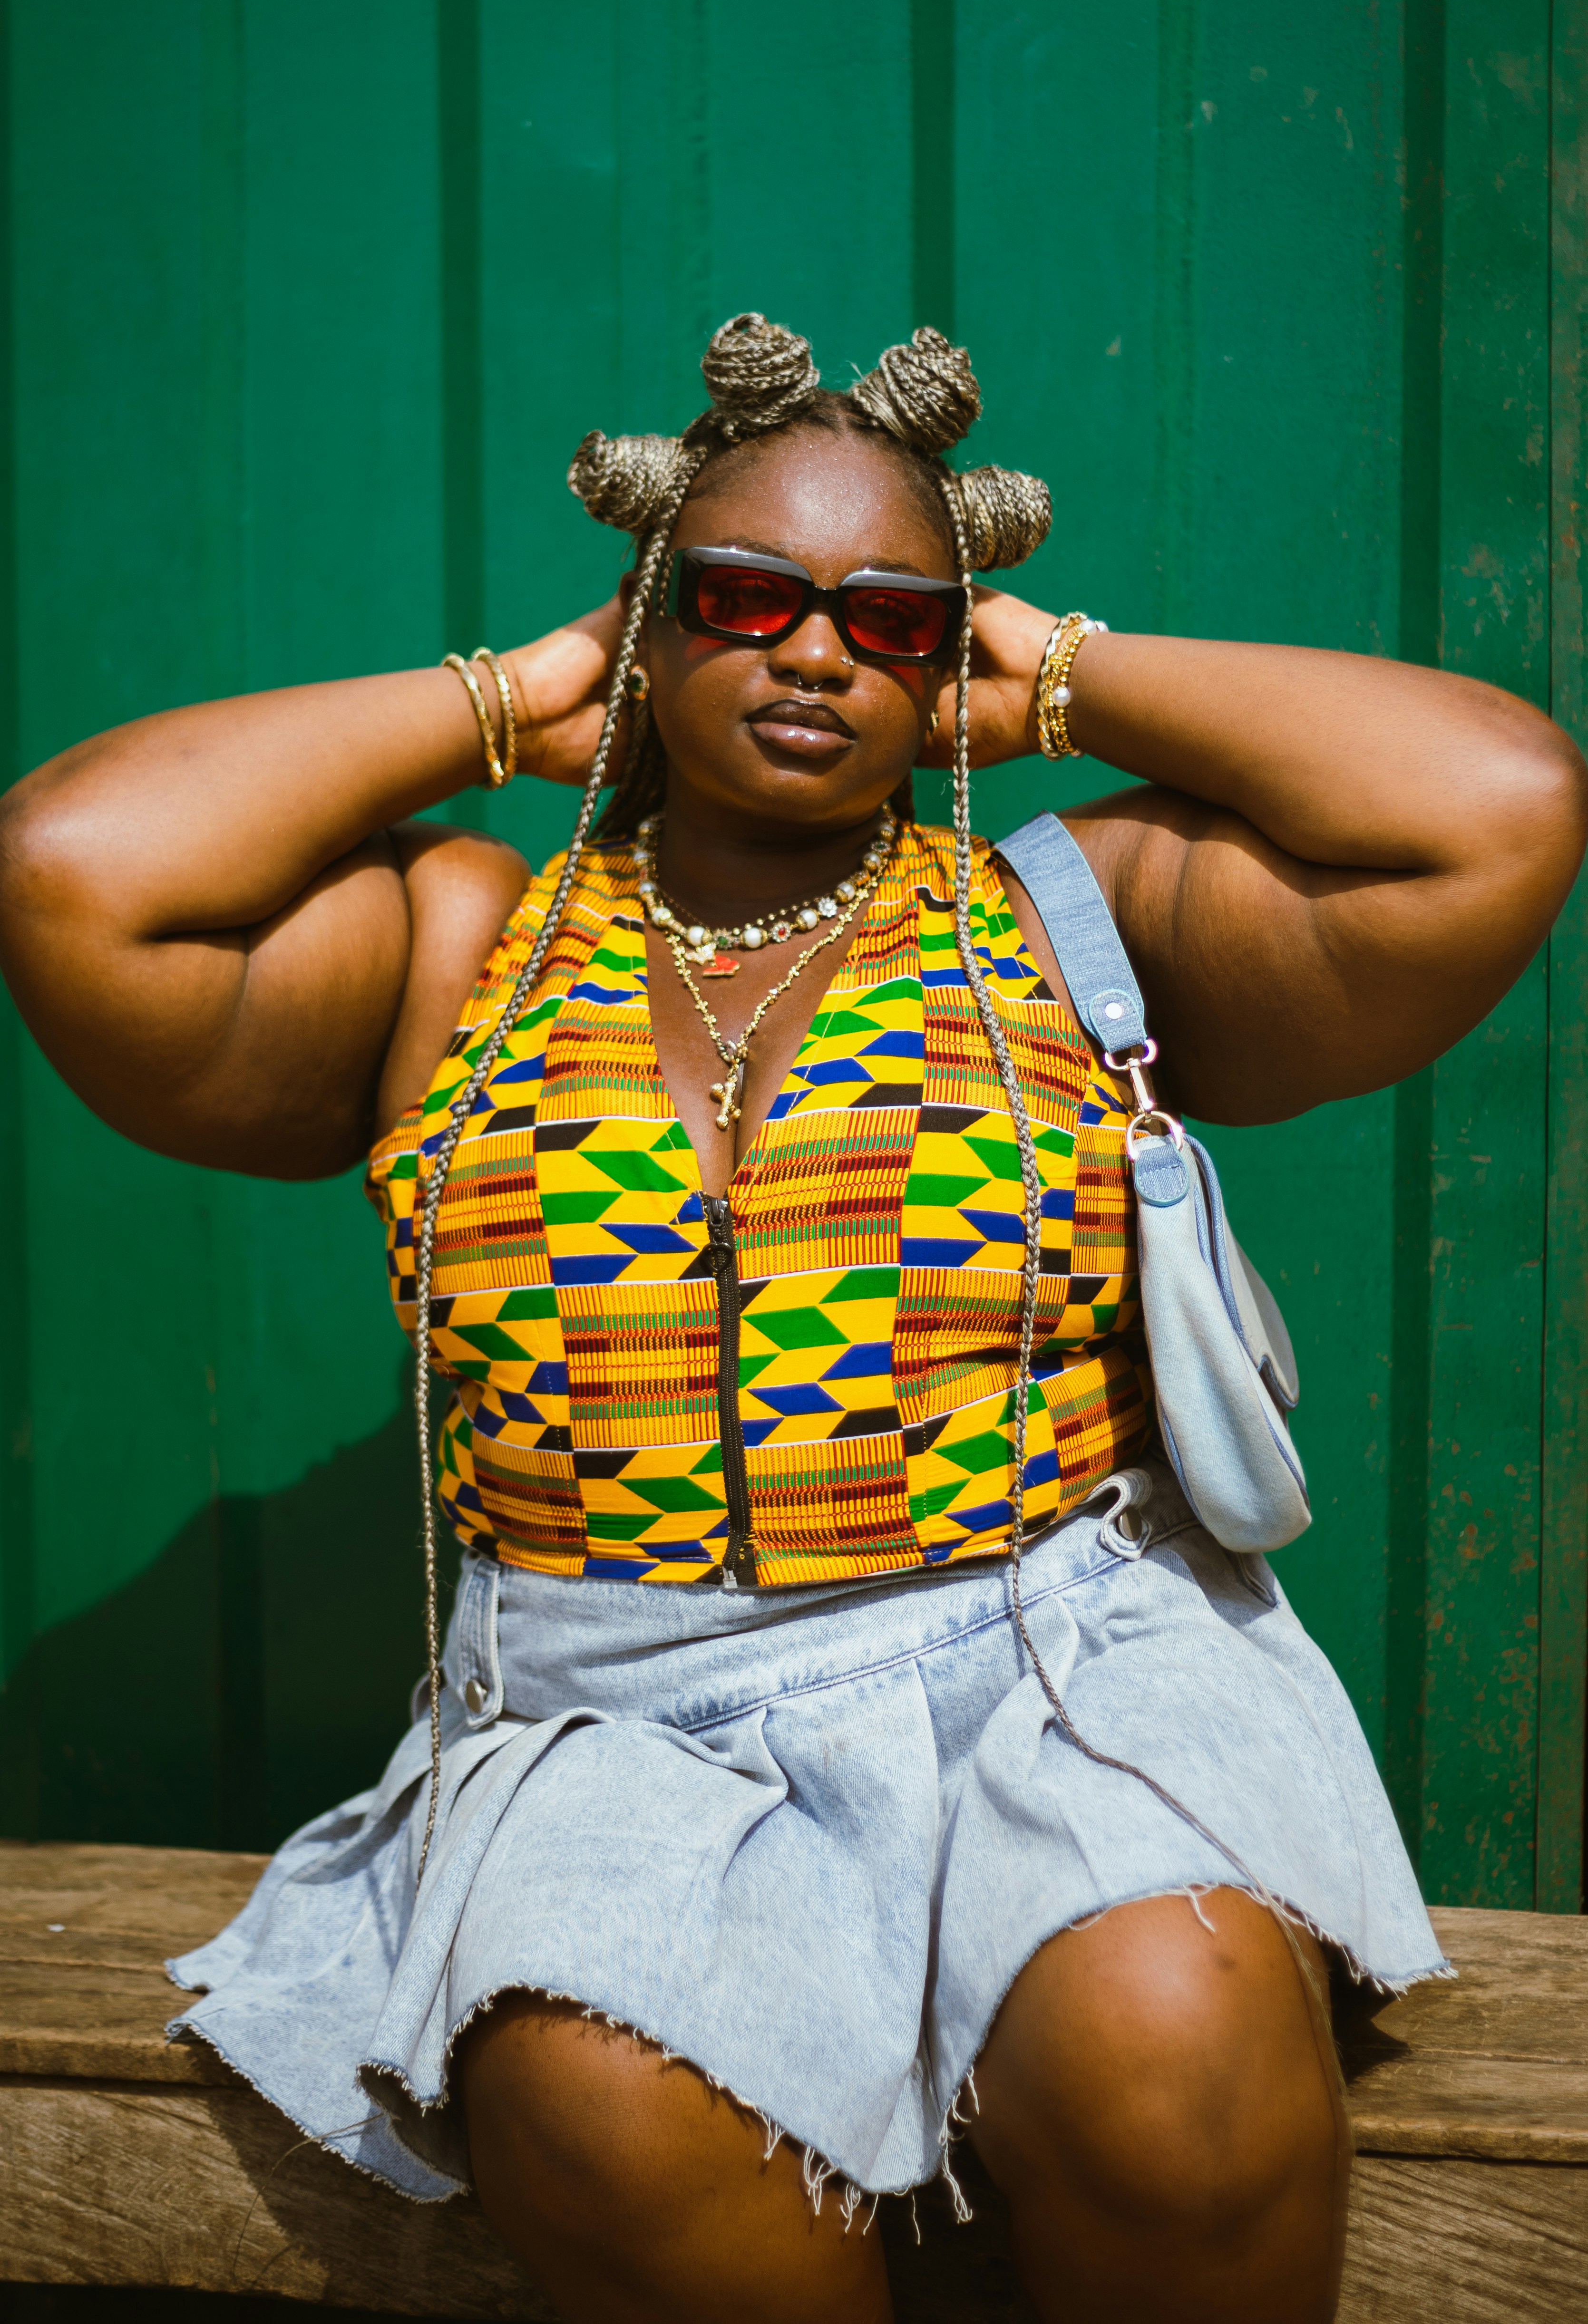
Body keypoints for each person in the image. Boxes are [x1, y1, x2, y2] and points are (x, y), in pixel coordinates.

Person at [0, 312, 1581, 2324]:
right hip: (606, 1714)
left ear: (950, 660)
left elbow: (1496, 800)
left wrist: (1058, 679)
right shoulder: (459, 948)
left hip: (1046, 1670)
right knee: (599, 2098)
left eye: (895, 622)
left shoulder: (1059, 917)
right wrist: (523, 696)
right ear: (656, 621)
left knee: (1169, 2047)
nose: (818, 651)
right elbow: (76, 866)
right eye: (746, 599)